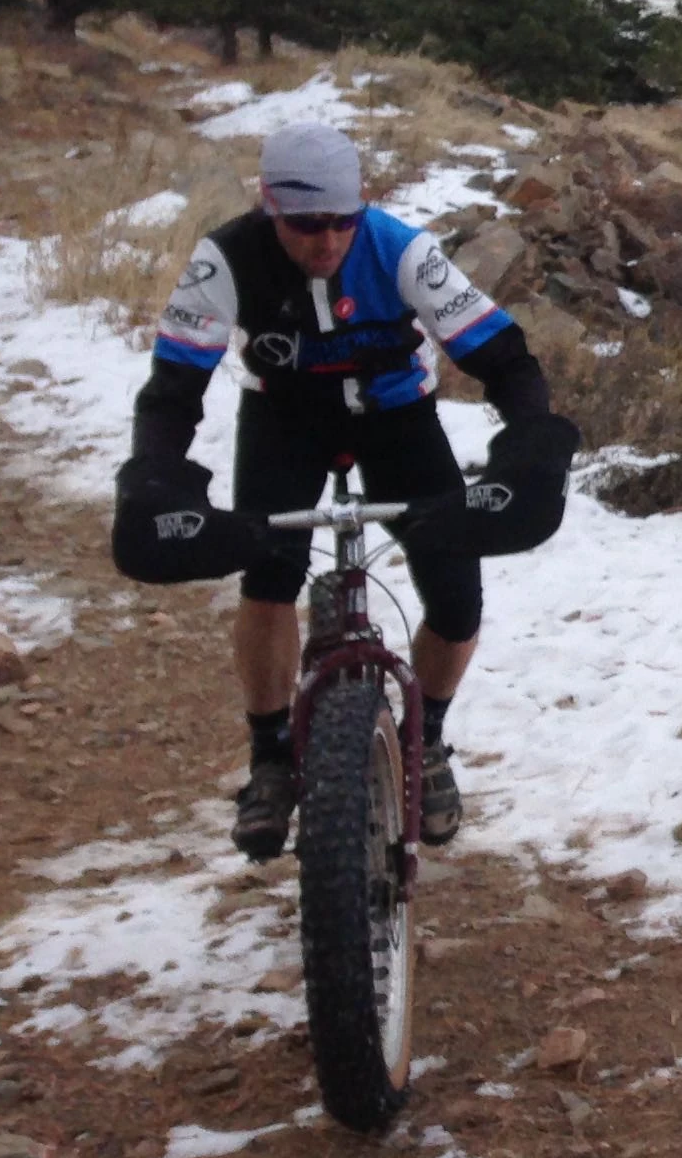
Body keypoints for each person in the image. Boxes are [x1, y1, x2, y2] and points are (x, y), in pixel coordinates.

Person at [119, 120, 563, 859]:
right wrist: (157, 477)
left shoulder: (401, 250)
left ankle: (427, 740)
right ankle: (269, 755)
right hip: (284, 421)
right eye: (304, 226)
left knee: (456, 593)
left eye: (341, 223)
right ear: (269, 206)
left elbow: (508, 360)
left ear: (363, 207)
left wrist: (530, 447)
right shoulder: (225, 259)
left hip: (397, 417)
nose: (326, 243)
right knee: (269, 577)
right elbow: (171, 393)